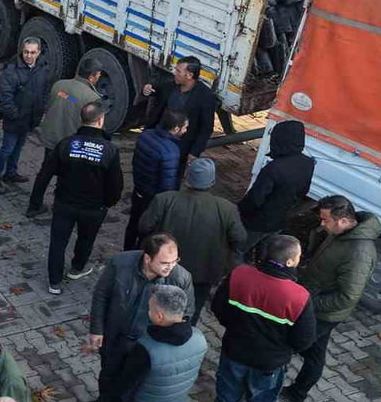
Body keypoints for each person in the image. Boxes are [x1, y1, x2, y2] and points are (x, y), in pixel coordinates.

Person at [194, 235, 316, 402]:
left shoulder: (239, 275)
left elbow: (218, 307)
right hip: (269, 364)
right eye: (298, 256)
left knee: (226, 399)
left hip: (234, 353)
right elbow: (304, 339)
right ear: (290, 262)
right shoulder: (298, 296)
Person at [80, 234, 194, 402]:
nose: (171, 266)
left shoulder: (180, 278)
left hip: (146, 345)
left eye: (175, 261)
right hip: (116, 335)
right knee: (108, 372)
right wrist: (96, 329)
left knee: (134, 386)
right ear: (148, 258)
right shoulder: (120, 263)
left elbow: (186, 313)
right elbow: (101, 295)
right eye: (165, 262)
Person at [282, 195, 381, 402]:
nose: (322, 224)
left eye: (326, 220)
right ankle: (297, 394)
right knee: (315, 353)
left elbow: (347, 297)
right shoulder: (343, 235)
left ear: (343, 220)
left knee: (285, 349)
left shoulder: (359, 253)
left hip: (321, 313)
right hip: (315, 304)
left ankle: (274, 392)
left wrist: (308, 303)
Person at [138, 158, 246, 324]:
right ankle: (182, 336)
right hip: (203, 271)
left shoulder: (164, 199)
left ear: (186, 178)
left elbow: (144, 227)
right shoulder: (226, 208)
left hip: (165, 267)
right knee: (191, 310)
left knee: (155, 303)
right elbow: (240, 238)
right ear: (212, 181)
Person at [42, 102, 124, 294]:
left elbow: (47, 172)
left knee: (58, 242)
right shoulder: (110, 150)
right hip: (93, 208)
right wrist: (108, 203)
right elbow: (115, 183)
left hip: (65, 202)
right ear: (100, 120)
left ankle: (54, 282)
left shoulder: (67, 143)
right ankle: (77, 268)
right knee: (86, 239)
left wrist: (38, 199)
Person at [26, 55, 104, 217]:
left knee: (45, 173)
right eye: (98, 75)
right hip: (70, 144)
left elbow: (55, 104)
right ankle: (59, 208)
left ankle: (34, 205)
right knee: (66, 178)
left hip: (51, 138)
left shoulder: (59, 85)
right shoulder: (92, 98)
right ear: (91, 76)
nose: (98, 77)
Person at [238, 120, 315, 257]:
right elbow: (303, 191)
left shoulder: (274, 168)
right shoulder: (308, 163)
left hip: (257, 222)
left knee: (239, 250)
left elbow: (255, 199)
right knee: (269, 252)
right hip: (280, 219)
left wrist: (240, 211)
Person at [141, 55, 217, 180]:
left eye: (178, 71)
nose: (174, 73)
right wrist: (147, 89)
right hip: (158, 138)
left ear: (189, 75)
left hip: (180, 147)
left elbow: (206, 128)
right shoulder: (170, 86)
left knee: (171, 178)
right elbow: (155, 89)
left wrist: (194, 152)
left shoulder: (205, 96)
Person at [0, 38, 52, 191]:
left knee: (18, 147)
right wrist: (14, 115)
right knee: (7, 148)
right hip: (14, 119)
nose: (29, 55)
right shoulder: (11, 71)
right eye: (26, 52)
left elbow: (44, 91)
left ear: (38, 53)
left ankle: (11, 173)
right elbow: (5, 97)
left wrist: (40, 109)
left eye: (32, 52)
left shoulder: (43, 68)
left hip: (29, 119)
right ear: (22, 51)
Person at [123, 109, 187, 250]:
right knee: (149, 232)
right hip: (153, 198)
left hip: (139, 189)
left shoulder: (146, 135)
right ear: (176, 128)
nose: (186, 130)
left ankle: (126, 251)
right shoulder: (170, 150)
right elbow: (168, 184)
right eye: (185, 127)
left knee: (133, 224)